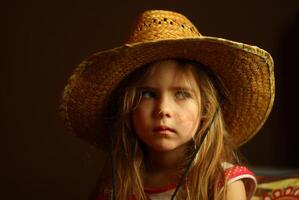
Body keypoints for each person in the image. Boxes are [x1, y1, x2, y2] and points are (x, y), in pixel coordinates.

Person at [60, 10, 275, 200]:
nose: (163, 109)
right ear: (128, 110)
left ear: (206, 109)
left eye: (181, 94)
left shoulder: (223, 184)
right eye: (148, 94)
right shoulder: (115, 189)